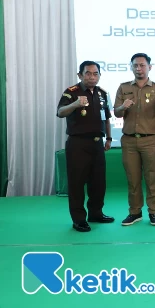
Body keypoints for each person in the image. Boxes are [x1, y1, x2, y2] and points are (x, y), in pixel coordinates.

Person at [56, 61, 115, 232]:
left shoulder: (102, 93)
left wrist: (109, 138)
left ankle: (96, 213)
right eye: (88, 73)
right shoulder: (71, 92)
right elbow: (60, 112)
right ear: (80, 75)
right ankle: (79, 219)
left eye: (95, 73)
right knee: (77, 183)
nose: (92, 77)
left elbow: (107, 118)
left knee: (98, 182)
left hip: (97, 144)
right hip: (78, 144)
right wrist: (75, 104)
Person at [113, 53, 155, 227]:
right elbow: (116, 112)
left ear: (149, 67)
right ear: (131, 67)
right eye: (135, 65)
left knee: (152, 178)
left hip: (150, 140)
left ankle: (154, 212)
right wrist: (123, 107)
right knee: (133, 178)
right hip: (129, 140)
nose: (139, 68)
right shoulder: (123, 88)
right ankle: (135, 212)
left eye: (142, 65)